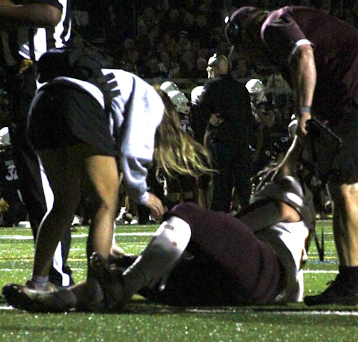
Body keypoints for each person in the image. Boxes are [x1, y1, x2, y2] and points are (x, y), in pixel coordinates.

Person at [224, 6, 358, 305]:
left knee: (344, 186)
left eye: (243, 48)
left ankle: (351, 283)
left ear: (246, 32)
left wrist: (303, 112)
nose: (247, 57)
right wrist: (290, 157)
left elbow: (303, 55)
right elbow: (311, 121)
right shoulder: (294, 26)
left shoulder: (272, 25)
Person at [2, 46, 211, 302]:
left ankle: (39, 282)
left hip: (41, 104)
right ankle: (94, 287)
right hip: (76, 103)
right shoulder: (151, 99)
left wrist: (107, 239)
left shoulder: (118, 84)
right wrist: (142, 194)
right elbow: (133, 150)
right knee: (106, 202)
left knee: (63, 204)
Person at [2, 174, 314, 312]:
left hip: (264, 273)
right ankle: (64, 299)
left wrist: (200, 229)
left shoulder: (288, 204)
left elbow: (236, 227)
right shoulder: (292, 241)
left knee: (188, 214)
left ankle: (122, 288)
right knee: (121, 268)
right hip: (234, 288)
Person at [0, 0, 73, 287]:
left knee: (42, 177)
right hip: (21, 78)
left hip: (41, 77)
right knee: (35, 183)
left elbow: (49, 14)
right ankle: (53, 271)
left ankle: (54, 275)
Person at [198, 53, 255, 213]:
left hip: (222, 141)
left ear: (215, 68)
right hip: (241, 141)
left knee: (221, 185)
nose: (207, 70)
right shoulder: (240, 87)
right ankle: (249, 219)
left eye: (209, 66)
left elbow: (200, 108)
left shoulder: (211, 87)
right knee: (243, 185)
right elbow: (248, 115)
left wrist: (210, 118)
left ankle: (219, 221)